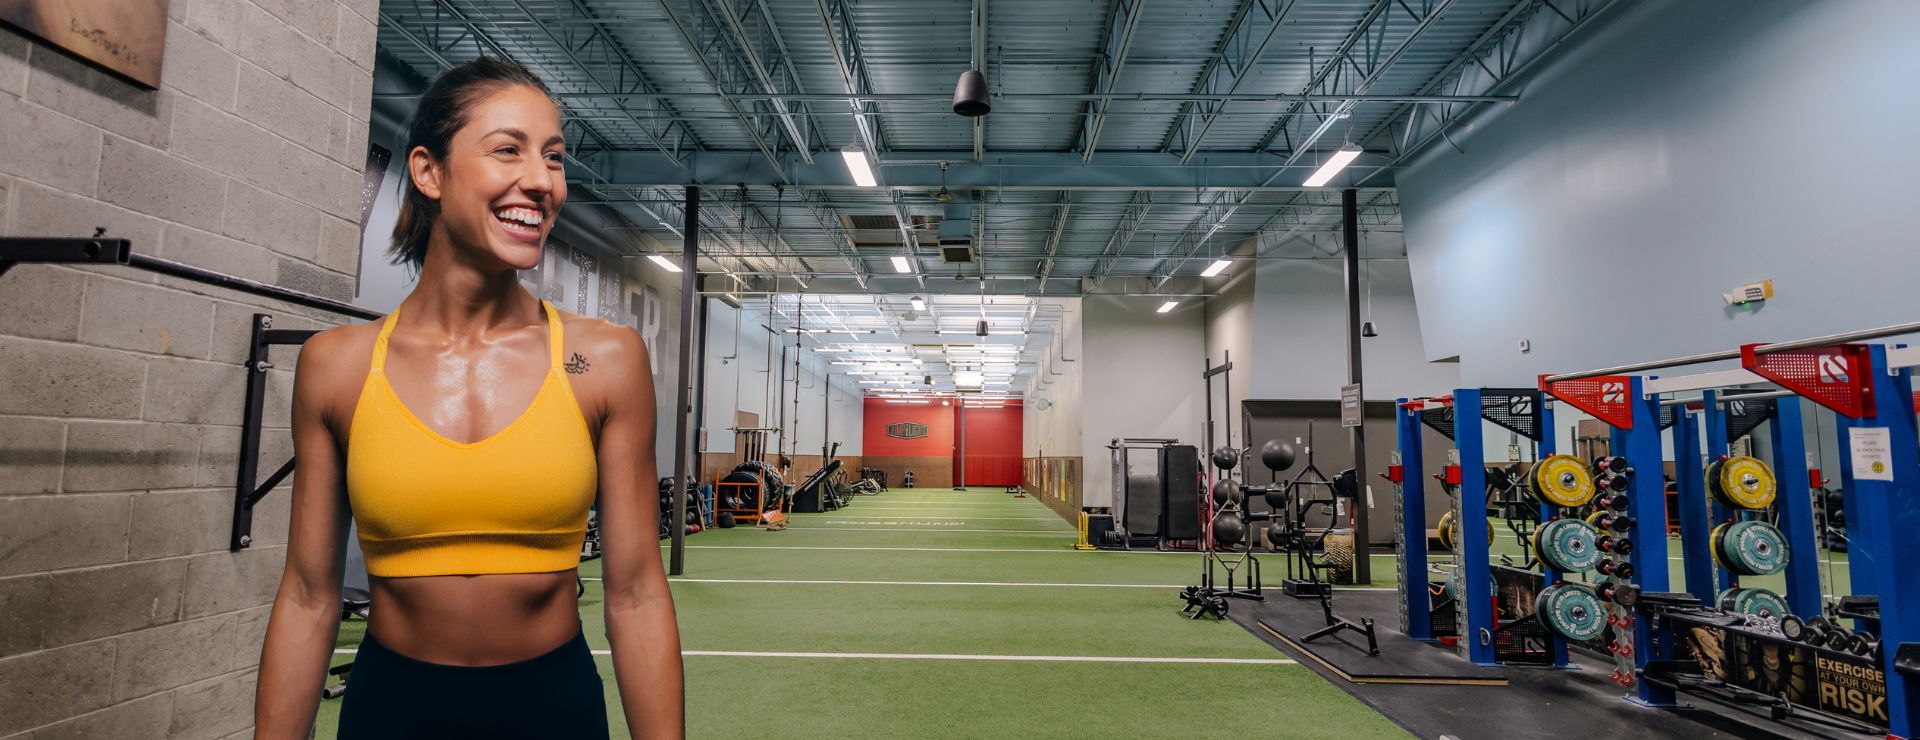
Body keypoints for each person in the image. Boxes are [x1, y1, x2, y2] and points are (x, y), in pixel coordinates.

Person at [253, 57, 683, 739]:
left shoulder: (602, 360)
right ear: (429, 171)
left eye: (553, 158)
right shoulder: (337, 367)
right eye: (508, 150)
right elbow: (308, 599)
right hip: (391, 709)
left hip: (553, 708)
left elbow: (635, 595)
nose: (541, 181)